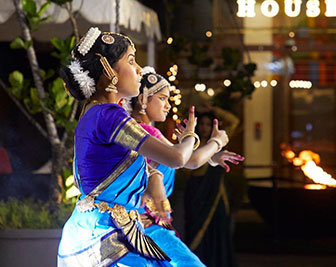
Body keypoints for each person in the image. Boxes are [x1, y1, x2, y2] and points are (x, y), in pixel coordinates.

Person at [57, 27, 200, 267]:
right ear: (108, 70)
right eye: (131, 61)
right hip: (106, 236)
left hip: (102, 229)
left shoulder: (93, 111)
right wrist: (190, 136)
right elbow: (177, 158)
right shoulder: (109, 115)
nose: (138, 70)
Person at [129, 66, 244, 266]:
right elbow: (187, 161)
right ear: (143, 100)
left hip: (142, 222)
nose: (167, 105)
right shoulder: (146, 132)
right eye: (162, 98)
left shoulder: (138, 130)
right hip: (146, 225)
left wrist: (211, 158)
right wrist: (216, 142)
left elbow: (180, 158)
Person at [183, 109, 240, 267]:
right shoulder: (190, 142)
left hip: (215, 192)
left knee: (218, 227)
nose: (204, 127)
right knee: (195, 229)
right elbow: (185, 166)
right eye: (201, 124)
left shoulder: (218, 141)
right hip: (196, 192)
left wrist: (213, 109)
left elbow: (234, 121)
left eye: (208, 124)